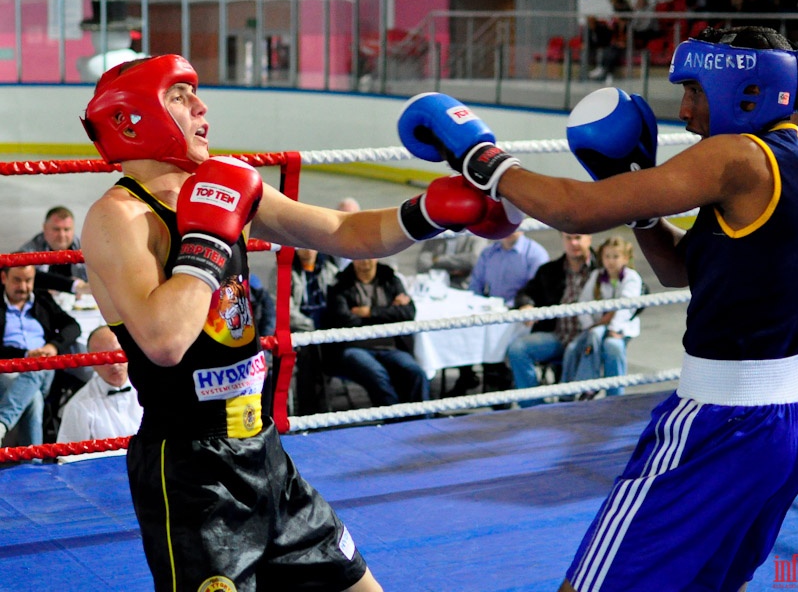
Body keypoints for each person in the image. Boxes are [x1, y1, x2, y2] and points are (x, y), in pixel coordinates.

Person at [395, 25, 798, 591]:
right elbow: (687, 272)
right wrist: (639, 203)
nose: (685, 112)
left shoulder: (738, 157)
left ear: (746, 90)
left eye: (697, 91)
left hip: (720, 422)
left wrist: (485, 159)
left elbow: (576, 212)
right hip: (792, 420)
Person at [78, 56, 508, 590]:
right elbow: (165, 339)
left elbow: (342, 230)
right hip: (190, 475)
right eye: (180, 95)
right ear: (133, 117)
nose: (202, 106)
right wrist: (209, 240)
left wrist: (429, 212)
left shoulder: (224, 186)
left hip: (264, 454)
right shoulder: (117, 218)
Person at [323, 258, 429, 406]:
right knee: (377, 375)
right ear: (352, 259)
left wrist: (369, 312)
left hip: (390, 346)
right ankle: (394, 421)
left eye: (369, 257)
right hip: (356, 346)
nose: (365, 262)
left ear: (377, 257)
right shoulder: (340, 283)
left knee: (416, 372)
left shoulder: (390, 279)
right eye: (360, 257)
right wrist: (389, 312)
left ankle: (421, 421)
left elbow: (408, 312)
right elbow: (343, 319)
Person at [454, 230, 548, 395]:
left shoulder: (536, 254)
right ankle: (469, 375)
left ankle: (501, 375)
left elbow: (538, 292)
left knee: (503, 330)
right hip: (490, 311)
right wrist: (475, 306)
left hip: (520, 314)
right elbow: (475, 287)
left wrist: (525, 305)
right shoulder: (488, 253)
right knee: (462, 325)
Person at [506, 232, 597, 401]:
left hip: (591, 337)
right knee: (517, 349)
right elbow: (526, 293)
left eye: (578, 238)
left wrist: (619, 319)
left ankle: (612, 404)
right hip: (559, 335)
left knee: (611, 347)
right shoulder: (550, 270)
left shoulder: (603, 266)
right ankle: (535, 408)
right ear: (562, 240)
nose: (574, 243)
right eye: (568, 238)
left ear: (589, 238)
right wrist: (527, 304)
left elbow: (639, 289)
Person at [0, 264, 80, 446]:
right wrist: (25, 354)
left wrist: (53, 346)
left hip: (44, 370)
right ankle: (34, 465)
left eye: (28, 280)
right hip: (9, 369)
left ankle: (2, 424)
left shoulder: (42, 300)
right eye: (17, 280)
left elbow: (73, 326)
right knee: (34, 398)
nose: (23, 287)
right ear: (4, 278)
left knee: (39, 365)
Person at [560, 236, 643, 395]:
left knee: (613, 347)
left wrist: (613, 328)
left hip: (620, 329)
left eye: (616, 256)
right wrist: (589, 325)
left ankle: (609, 394)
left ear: (626, 258)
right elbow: (583, 302)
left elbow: (626, 307)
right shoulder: (596, 276)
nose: (611, 261)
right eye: (607, 256)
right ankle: (568, 392)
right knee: (572, 349)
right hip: (595, 328)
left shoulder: (631, 278)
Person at [56, 325, 142, 443]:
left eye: (118, 354)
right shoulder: (77, 406)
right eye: (104, 359)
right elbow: (68, 458)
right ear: (92, 364)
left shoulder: (154, 390)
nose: (114, 364)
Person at [289, 247, 340, 415]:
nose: (308, 250)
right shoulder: (284, 270)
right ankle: (309, 411)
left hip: (328, 328)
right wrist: (311, 325)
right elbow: (284, 310)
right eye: (302, 245)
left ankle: (324, 408)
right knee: (307, 354)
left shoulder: (330, 269)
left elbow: (339, 303)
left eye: (311, 245)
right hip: (301, 329)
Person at [17, 206, 90, 297]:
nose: (62, 235)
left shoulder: (87, 248)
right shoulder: (30, 250)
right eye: (56, 229)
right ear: (45, 228)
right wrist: (75, 285)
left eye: (66, 229)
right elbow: (20, 276)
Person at [415, 232, 488, 289]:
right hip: (437, 284)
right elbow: (422, 263)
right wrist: (458, 264)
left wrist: (437, 259)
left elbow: (475, 260)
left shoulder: (476, 235)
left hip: (464, 286)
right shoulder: (438, 235)